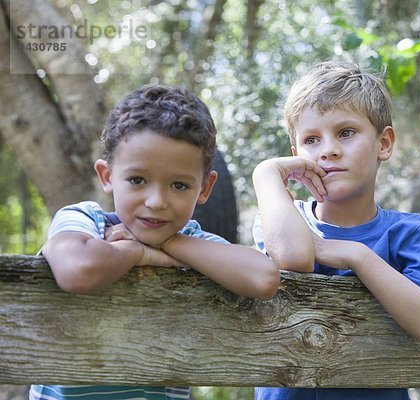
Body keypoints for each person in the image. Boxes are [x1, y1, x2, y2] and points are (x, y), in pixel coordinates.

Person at [31, 84, 280, 400]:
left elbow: (264, 277)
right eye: (137, 180)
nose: (157, 201)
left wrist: (168, 246)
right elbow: (77, 270)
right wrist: (136, 250)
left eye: (179, 185)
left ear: (205, 188)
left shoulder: (191, 242)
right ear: (107, 176)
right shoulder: (86, 221)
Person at [252, 61, 420, 400]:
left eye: (346, 133)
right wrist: (265, 174)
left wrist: (356, 255)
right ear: (295, 156)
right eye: (311, 139)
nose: (328, 150)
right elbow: (294, 258)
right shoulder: (283, 218)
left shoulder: (410, 234)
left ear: (384, 143)